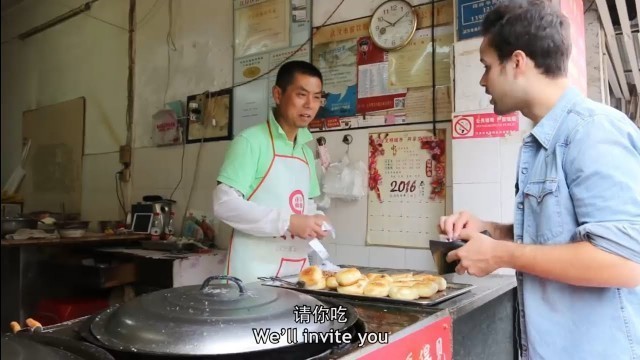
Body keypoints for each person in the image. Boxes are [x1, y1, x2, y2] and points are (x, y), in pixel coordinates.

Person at [439, 1, 640, 359]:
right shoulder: (540, 142)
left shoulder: (592, 131)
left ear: (517, 62)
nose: (482, 81)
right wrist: (492, 230)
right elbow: (560, 235)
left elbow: (625, 262)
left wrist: (501, 254)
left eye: (486, 67)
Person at [213, 60, 330, 283]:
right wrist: (287, 222)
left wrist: (316, 219)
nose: (309, 105)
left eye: (316, 97)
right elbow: (223, 204)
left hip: (296, 272)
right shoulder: (250, 141)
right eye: (301, 94)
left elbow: (306, 204)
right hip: (252, 276)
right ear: (278, 94)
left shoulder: (305, 152)